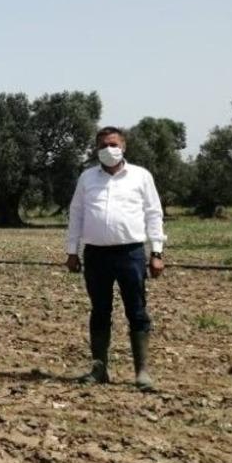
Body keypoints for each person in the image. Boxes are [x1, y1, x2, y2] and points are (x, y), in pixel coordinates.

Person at [65, 126, 166, 390]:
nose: (108, 150)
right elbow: (76, 214)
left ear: (123, 147)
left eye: (113, 144)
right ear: (96, 150)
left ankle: (142, 372)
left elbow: (154, 213)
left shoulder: (141, 176)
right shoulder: (87, 178)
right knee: (100, 311)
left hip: (130, 253)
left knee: (137, 310)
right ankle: (99, 369)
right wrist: (72, 251)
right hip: (96, 254)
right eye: (103, 146)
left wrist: (156, 252)